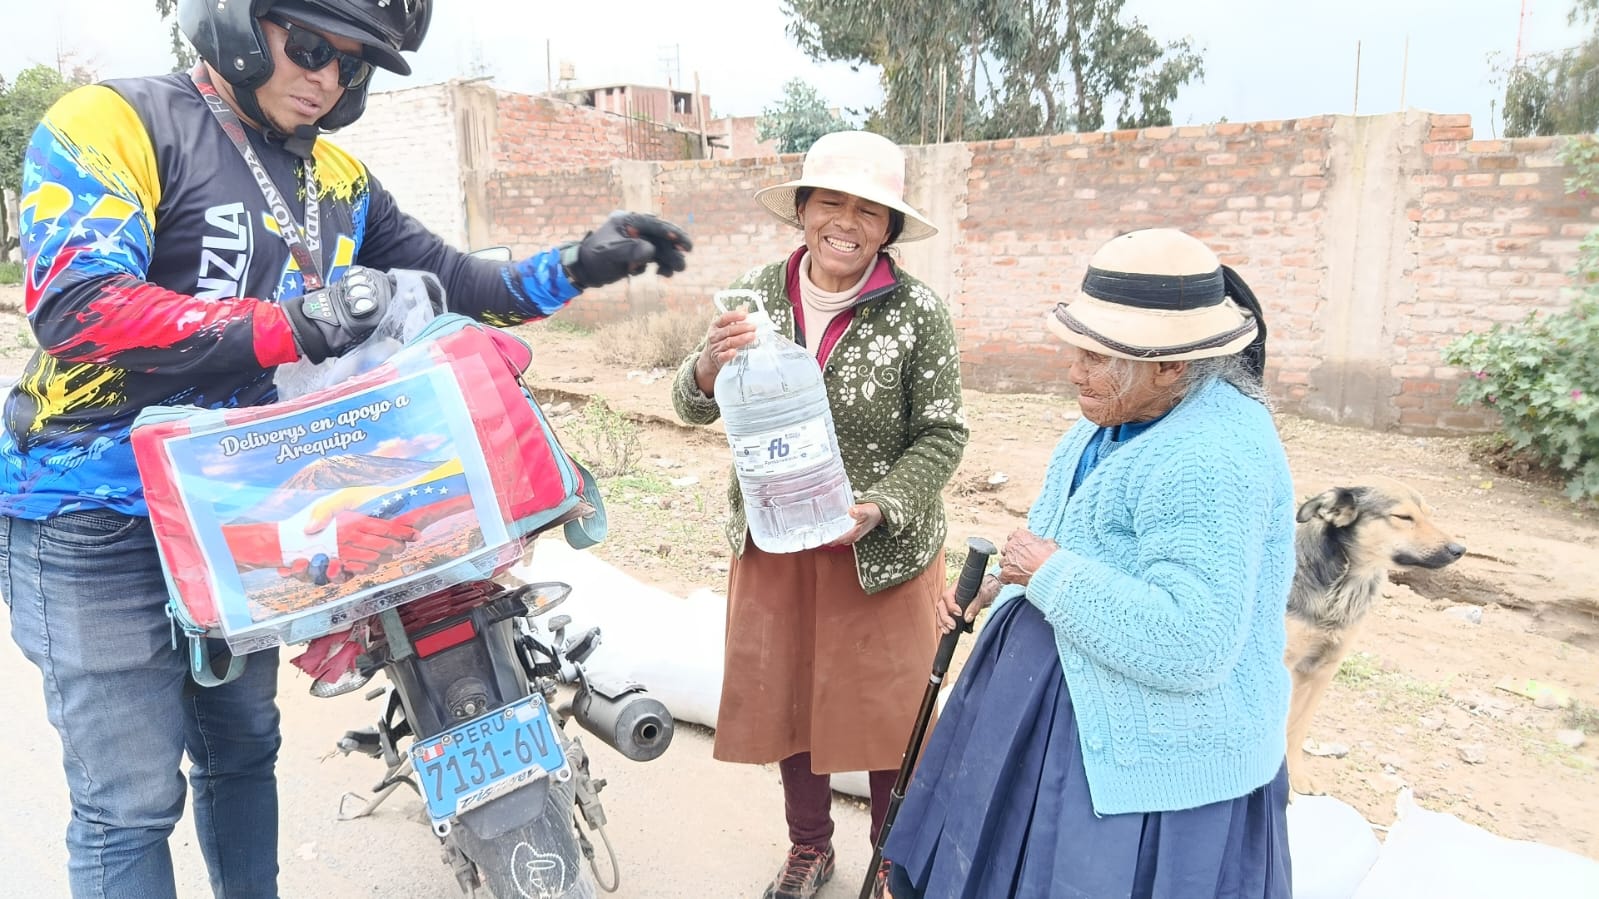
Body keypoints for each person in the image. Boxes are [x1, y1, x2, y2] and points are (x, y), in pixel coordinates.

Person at [0, 2, 690, 896]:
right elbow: (77, 302)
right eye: (313, 46)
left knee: (244, 754)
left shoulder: (339, 181)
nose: (328, 78)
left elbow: (464, 282)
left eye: (353, 65)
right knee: (129, 801)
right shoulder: (116, 121)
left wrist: (581, 263)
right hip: (94, 515)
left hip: (237, 518)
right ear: (243, 25)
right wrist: (289, 324)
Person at [882, 228, 1296, 898]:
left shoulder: (1211, 457)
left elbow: (1193, 639)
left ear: (1169, 364)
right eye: (1076, 345)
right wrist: (997, 584)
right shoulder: (1106, 418)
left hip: (1142, 772)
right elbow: (1063, 535)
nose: (1072, 368)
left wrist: (1047, 574)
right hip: (1048, 721)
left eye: (1095, 355)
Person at [671, 130, 968, 899]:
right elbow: (689, 400)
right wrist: (707, 364)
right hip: (775, 543)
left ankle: (888, 860)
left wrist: (881, 507)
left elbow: (942, 432)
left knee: (884, 716)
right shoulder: (753, 296)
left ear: (889, 228)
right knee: (790, 704)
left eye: (869, 211)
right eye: (830, 201)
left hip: (878, 552)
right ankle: (809, 847)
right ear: (802, 210)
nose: (847, 221)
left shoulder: (917, 313)